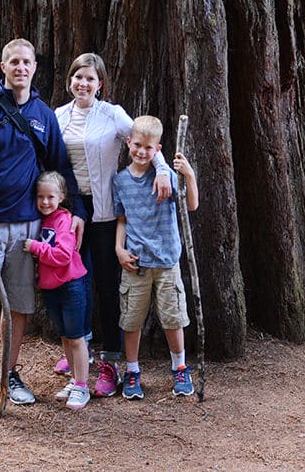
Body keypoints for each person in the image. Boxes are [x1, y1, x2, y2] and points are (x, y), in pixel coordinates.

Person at [0, 38, 86, 418]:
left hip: (27, 229)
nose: (21, 68)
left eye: (27, 62)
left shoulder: (43, 115)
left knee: (19, 305)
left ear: (35, 68)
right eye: (14, 62)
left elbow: (59, 167)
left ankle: (9, 374)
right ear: (3, 66)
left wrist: (78, 209)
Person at [54, 53, 172, 397]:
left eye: (90, 79)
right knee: (74, 283)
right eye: (78, 77)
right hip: (70, 212)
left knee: (106, 287)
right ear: (70, 80)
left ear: (100, 84)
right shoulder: (59, 116)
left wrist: (162, 170)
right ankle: (80, 351)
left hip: (104, 212)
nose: (83, 84)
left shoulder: (112, 115)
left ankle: (110, 363)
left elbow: (143, 140)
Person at [113, 115, 199, 399]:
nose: (141, 151)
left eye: (148, 148)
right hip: (135, 263)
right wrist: (119, 249)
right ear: (128, 143)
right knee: (131, 319)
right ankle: (133, 370)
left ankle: (180, 367)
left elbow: (192, 205)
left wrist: (189, 175)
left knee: (173, 317)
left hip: (166, 261)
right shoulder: (121, 181)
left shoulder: (166, 177)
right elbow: (122, 219)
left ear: (157, 149)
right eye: (137, 145)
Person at [23, 171, 91, 410]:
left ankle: (82, 386)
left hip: (70, 285)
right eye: (40, 197)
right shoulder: (41, 221)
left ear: (61, 196)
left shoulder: (64, 220)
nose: (45, 202)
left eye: (50, 196)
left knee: (76, 337)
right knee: (65, 337)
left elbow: (62, 256)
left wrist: (36, 247)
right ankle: (74, 381)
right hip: (51, 288)